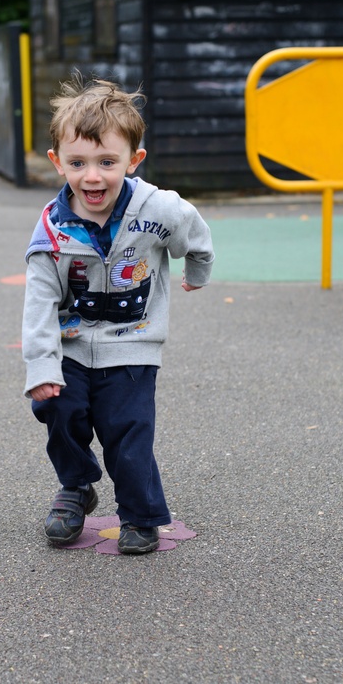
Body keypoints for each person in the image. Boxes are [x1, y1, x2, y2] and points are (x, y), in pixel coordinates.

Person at [22, 73, 214, 554]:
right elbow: (39, 299)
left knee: (128, 430)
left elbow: (195, 232)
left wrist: (198, 268)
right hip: (70, 343)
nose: (93, 176)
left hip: (133, 341)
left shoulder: (159, 209)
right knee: (56, 408)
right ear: (57, 162)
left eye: (107, 162)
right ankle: (76, 486)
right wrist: (41, 364)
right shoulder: (52, 228)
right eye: (78, 163)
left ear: (133, 160)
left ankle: (140, 514)